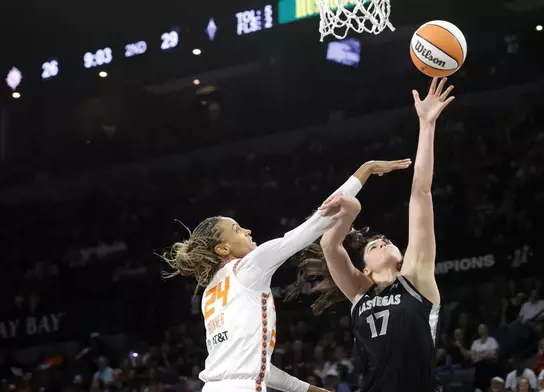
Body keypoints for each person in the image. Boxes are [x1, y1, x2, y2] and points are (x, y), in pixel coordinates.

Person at [162, 158, 411, 392]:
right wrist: (364, 171)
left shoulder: (210, 294)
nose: (247, 231)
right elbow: (314, 224)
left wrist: (310, 390)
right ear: (223, 249)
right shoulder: (249, 267)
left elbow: (256, 369)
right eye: (237, 230)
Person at [289, 77, 456, 391]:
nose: (383, 240)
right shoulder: (358, 292)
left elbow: (421, 191)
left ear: (401, 258)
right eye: (374, 245)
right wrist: (349, 213)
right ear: (364, 269)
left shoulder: (416, 278)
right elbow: (329, 243)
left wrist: (427, 124)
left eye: (387, 242)